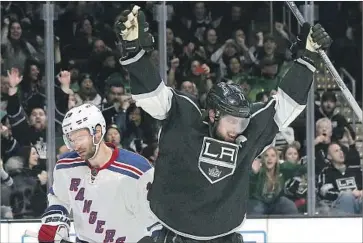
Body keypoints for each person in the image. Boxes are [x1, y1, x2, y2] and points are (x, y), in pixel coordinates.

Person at [115, 6, 332, 242]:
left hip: (225, 236)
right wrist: (134, 53)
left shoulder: (247, 134)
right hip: (173, 233)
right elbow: (153, 97)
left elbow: (287, 105)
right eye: (231, 121)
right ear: (212, 115)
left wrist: (307, 59)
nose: (236, 129)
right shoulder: (184, 119)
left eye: (242, 122)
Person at [38, 103, 160, 243]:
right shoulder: (65, 167)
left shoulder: (137, 171)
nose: (75, 146)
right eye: (71, 140)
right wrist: (55, 221)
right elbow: (59, 197)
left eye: (80, 138)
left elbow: (156, 222)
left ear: (97, 132)